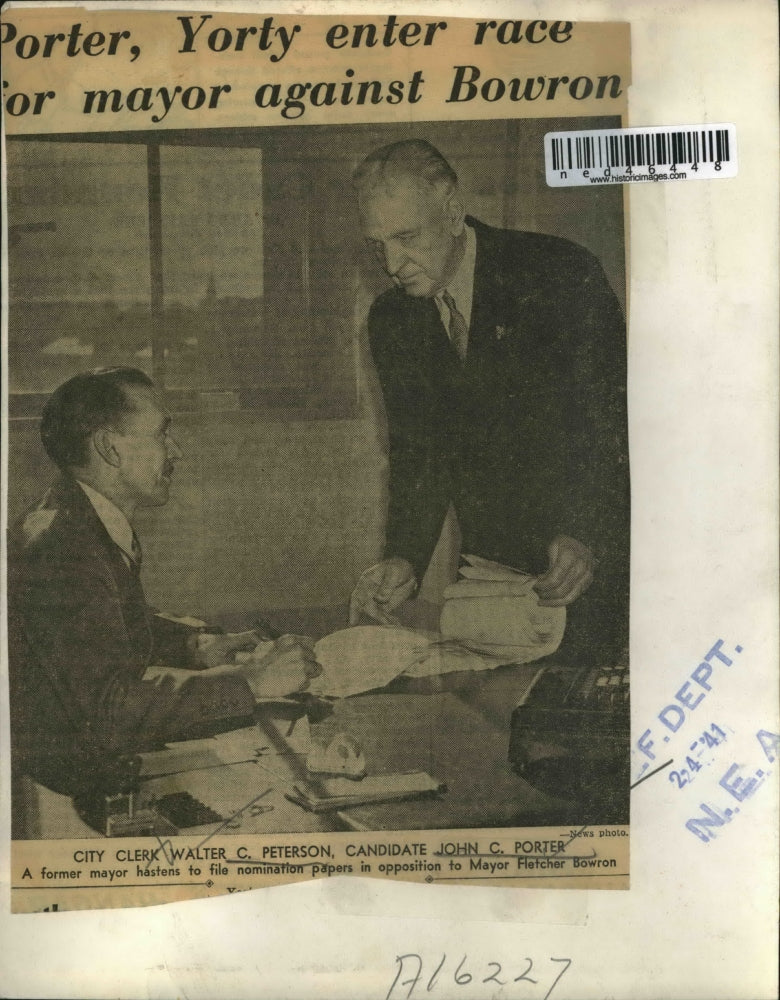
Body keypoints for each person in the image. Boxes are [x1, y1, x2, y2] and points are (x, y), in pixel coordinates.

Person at [349, 139, 629, 664]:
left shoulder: (558, 274)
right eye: (377, 244)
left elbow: (615, 428)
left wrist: (585, 531)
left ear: (453, 210)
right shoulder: (391, 320)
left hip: (585, 568)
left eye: (406, 237)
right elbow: (418, 456)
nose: (390, 263)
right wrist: (404, 556)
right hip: (486, 583)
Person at [8, 368, 320, 801]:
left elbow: (105, 624)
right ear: (109, 447)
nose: (176, 451)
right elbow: (109, 710)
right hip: (62, 790)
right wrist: (252, 681)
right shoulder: (62, 548)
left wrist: (197, 646)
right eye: (161, 433)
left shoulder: (74, 515)